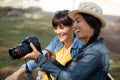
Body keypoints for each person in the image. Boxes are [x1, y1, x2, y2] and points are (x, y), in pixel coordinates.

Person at [21, 2, 110, 80]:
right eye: (74, 22)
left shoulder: (95, 52)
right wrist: (54, 63)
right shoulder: (88, 47)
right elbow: (71, 73)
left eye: (78, 21)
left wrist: (39, 59)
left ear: (91, 22)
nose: (74, 26)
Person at [5, 10, 83, 80]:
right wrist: (16, 75)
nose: (58, 32)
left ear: (72, 27)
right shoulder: (56, 41)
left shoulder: (80, 50)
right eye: (55, 28)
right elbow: (41, 56)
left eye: (61, 28)